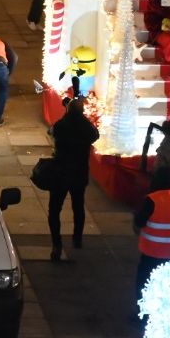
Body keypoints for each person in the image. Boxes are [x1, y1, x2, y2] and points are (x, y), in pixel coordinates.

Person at [48, 97, 99, 261]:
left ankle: (56, 244)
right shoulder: (86, 128)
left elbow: (51, 132)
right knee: (78, 207)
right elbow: (95, 135)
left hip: (60, 173)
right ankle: (77, 238)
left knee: (55, 210)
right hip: (79, 173)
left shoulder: (61, 125)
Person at [133, 172, 170, 294]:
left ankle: (143, 311)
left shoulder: (152, 200)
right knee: (169, 285)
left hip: (152, 253)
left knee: (144, 283)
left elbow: (139, 223)